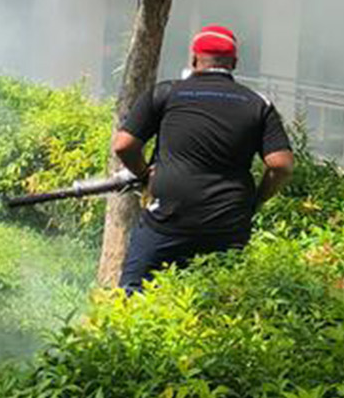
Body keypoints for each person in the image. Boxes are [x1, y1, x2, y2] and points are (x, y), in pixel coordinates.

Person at [112, 24, 295, 292]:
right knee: (222, 302)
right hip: (228, 224)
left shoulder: (166, 93)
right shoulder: (258, 103)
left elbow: (123, 146)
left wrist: (144, 176)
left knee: (134, 295)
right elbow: (282, 165)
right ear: (234, 63)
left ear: (194, 59)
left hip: (167, 219)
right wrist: (255, 201)